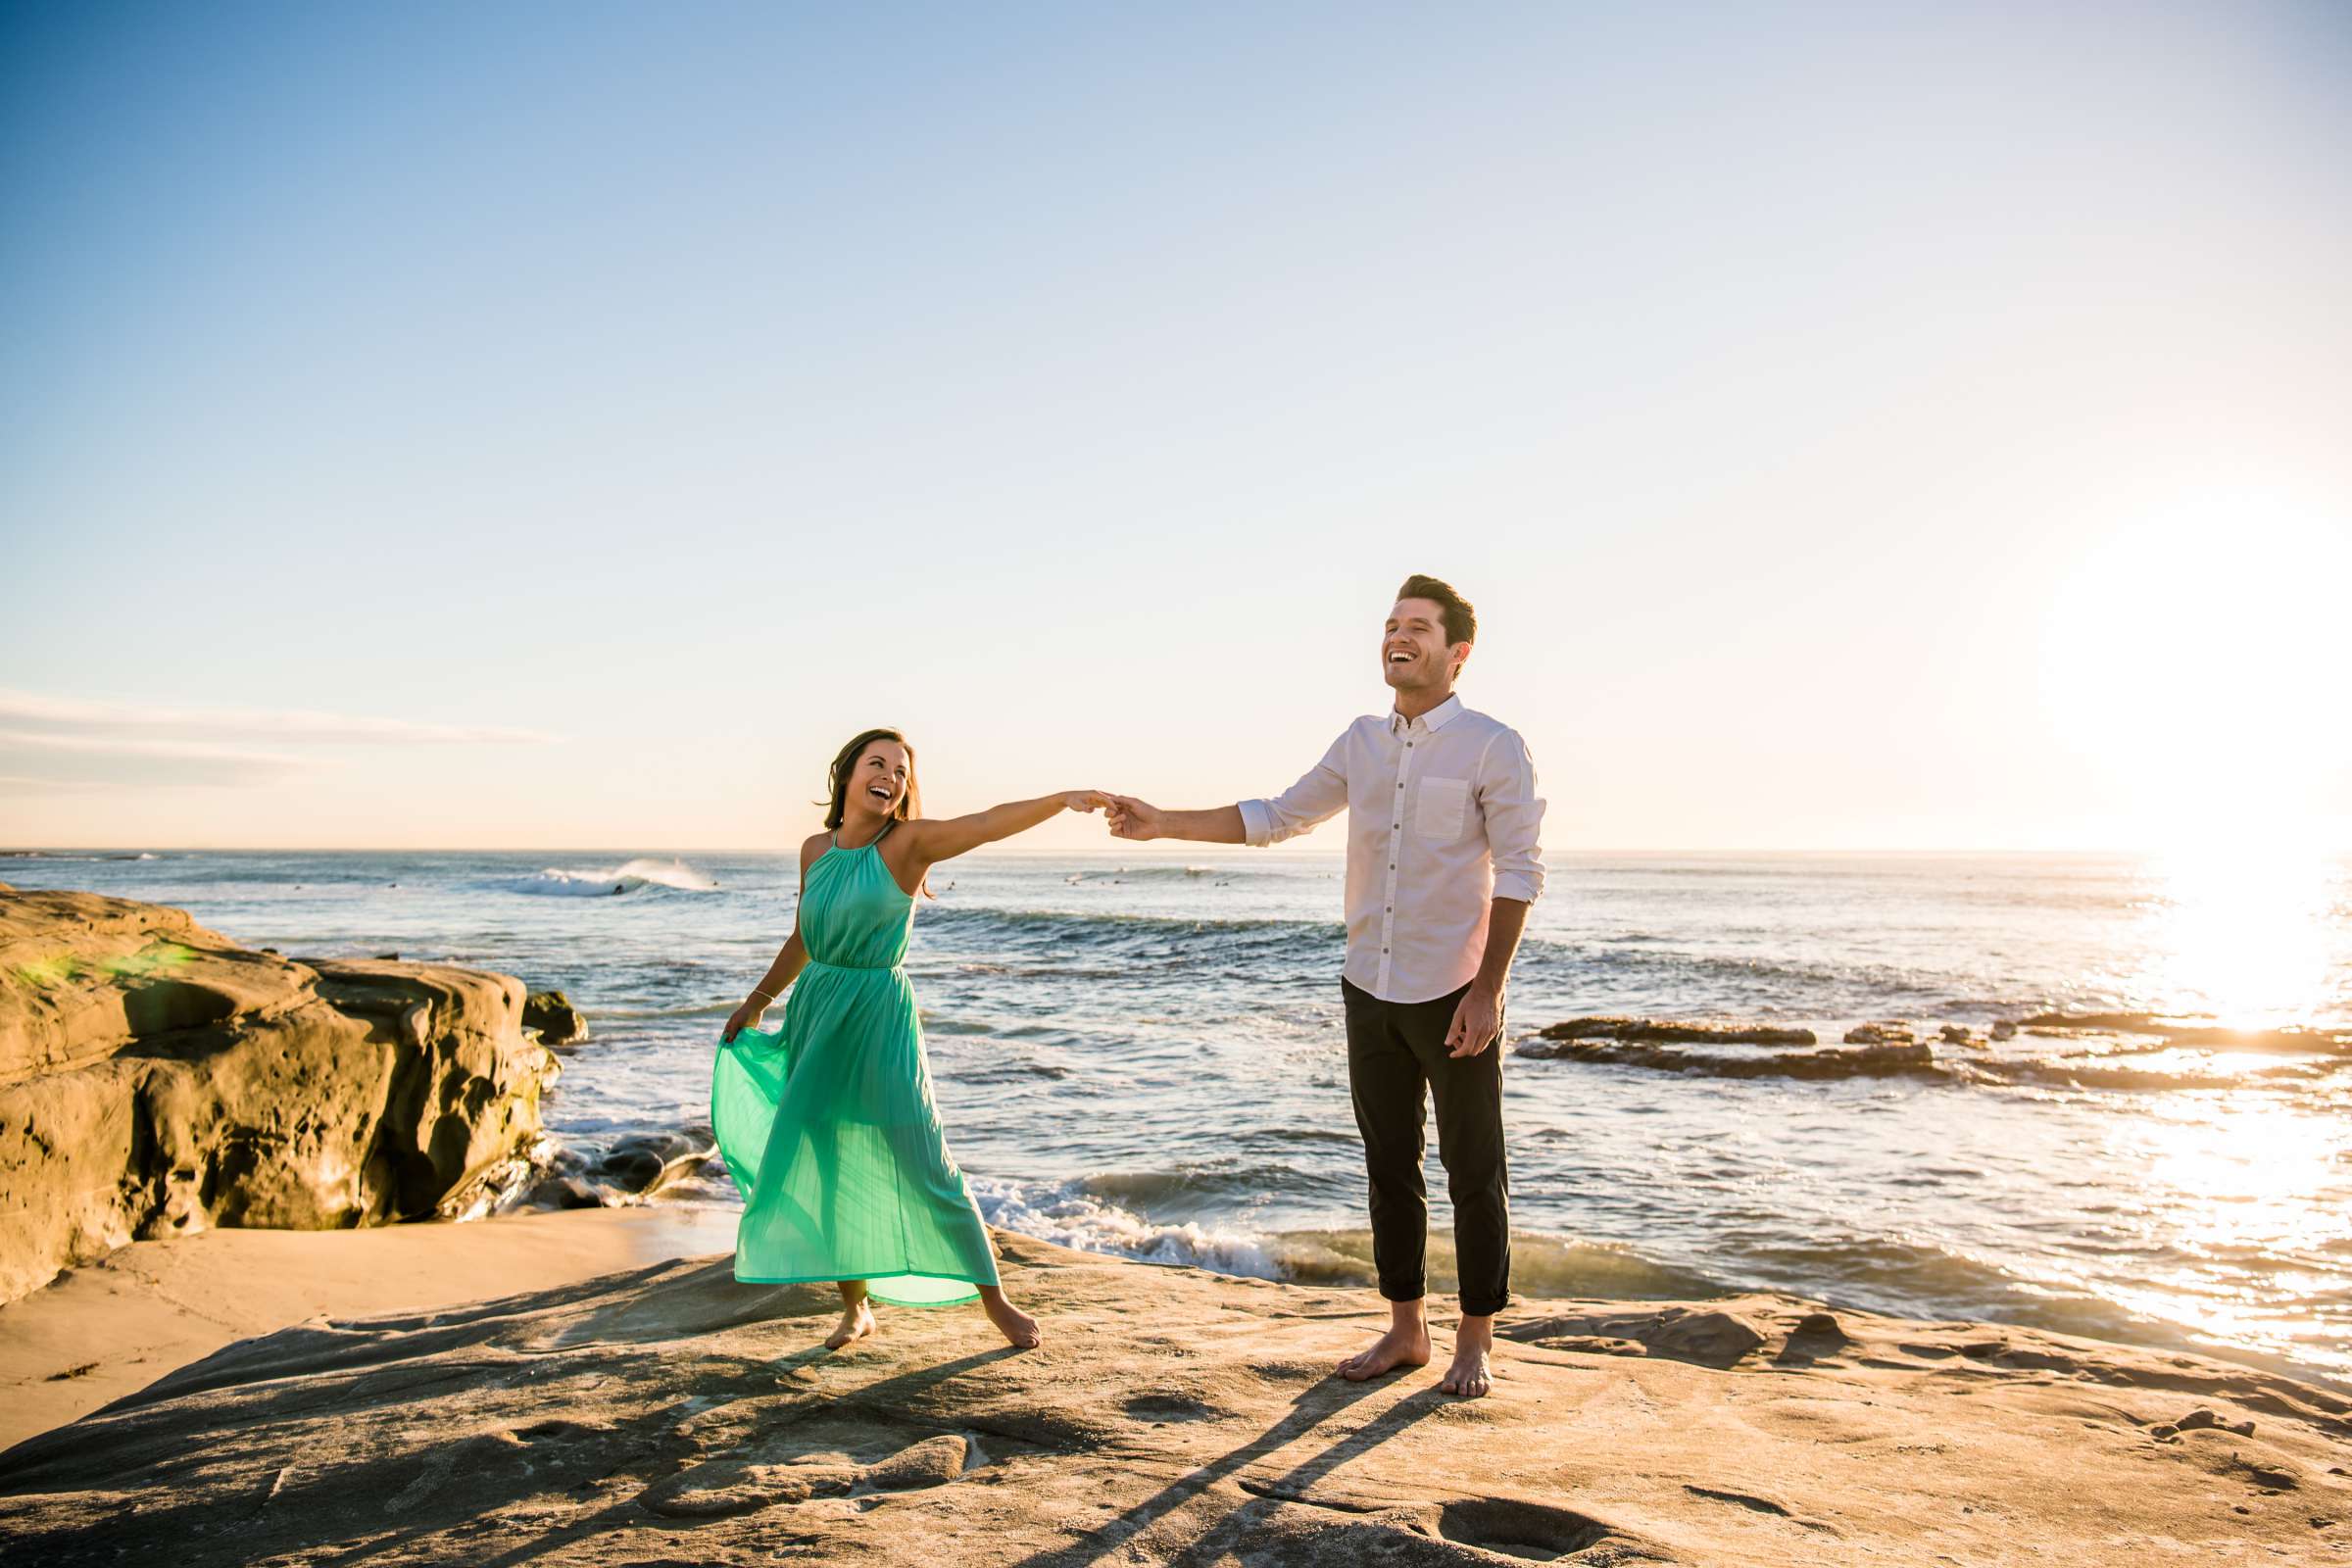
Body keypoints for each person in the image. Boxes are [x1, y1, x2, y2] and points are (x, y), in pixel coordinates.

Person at [1105, 574, 1544, 1398]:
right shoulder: (1361, 742)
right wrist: (1163, 820)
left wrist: (1488, 992)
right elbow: (1277, 815)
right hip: (1367, 986)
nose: (1397, 637)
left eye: (1416, 626)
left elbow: (1520, 872)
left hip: (1454, 990)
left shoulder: (1493, 745)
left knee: (1475, 1170)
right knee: (1389, 1164)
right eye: (1389, 624)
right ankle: (1406, 1330)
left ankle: (1475, 1339)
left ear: (1458, 652)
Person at [716, 726, 1109, 1351]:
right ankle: (856, 1307)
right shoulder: (815, 850)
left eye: (901, 772)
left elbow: (985, 823)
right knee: (825, 1160)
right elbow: (803, 937)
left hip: (877, 1012)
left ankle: (995, 1299)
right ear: (847, 774)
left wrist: (1059, 799)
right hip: (817, 1008)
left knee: (922, 1156)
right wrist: (758, 1001)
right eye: (878, 765)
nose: (891, 778)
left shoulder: (908, 844)